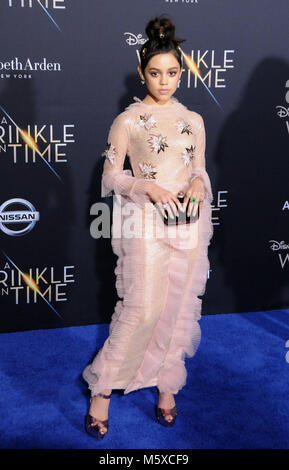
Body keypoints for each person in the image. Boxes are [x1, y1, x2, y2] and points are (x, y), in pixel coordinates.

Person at [82, 15, 214, 439]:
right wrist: (148, 187)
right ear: (142, 73)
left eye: (172, 73)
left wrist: (197, 181)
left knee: (176, 306)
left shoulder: (193, 119)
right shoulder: (128, 121)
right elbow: (110, 177)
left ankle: (165, 384)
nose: (164, 81)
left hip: (188, 221)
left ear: (182, 72)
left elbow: (199, 167)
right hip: (144, 220)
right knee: (141, 308)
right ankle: (102, 391)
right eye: (155, 73)